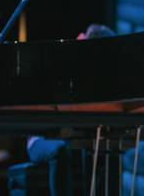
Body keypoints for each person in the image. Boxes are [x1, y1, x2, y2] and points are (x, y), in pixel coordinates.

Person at [26, 24, 116, 195]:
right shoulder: (62, 63)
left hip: (74, 138)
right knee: (61, 149)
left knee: (105, 151)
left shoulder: (93, 74)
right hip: (40, 139)